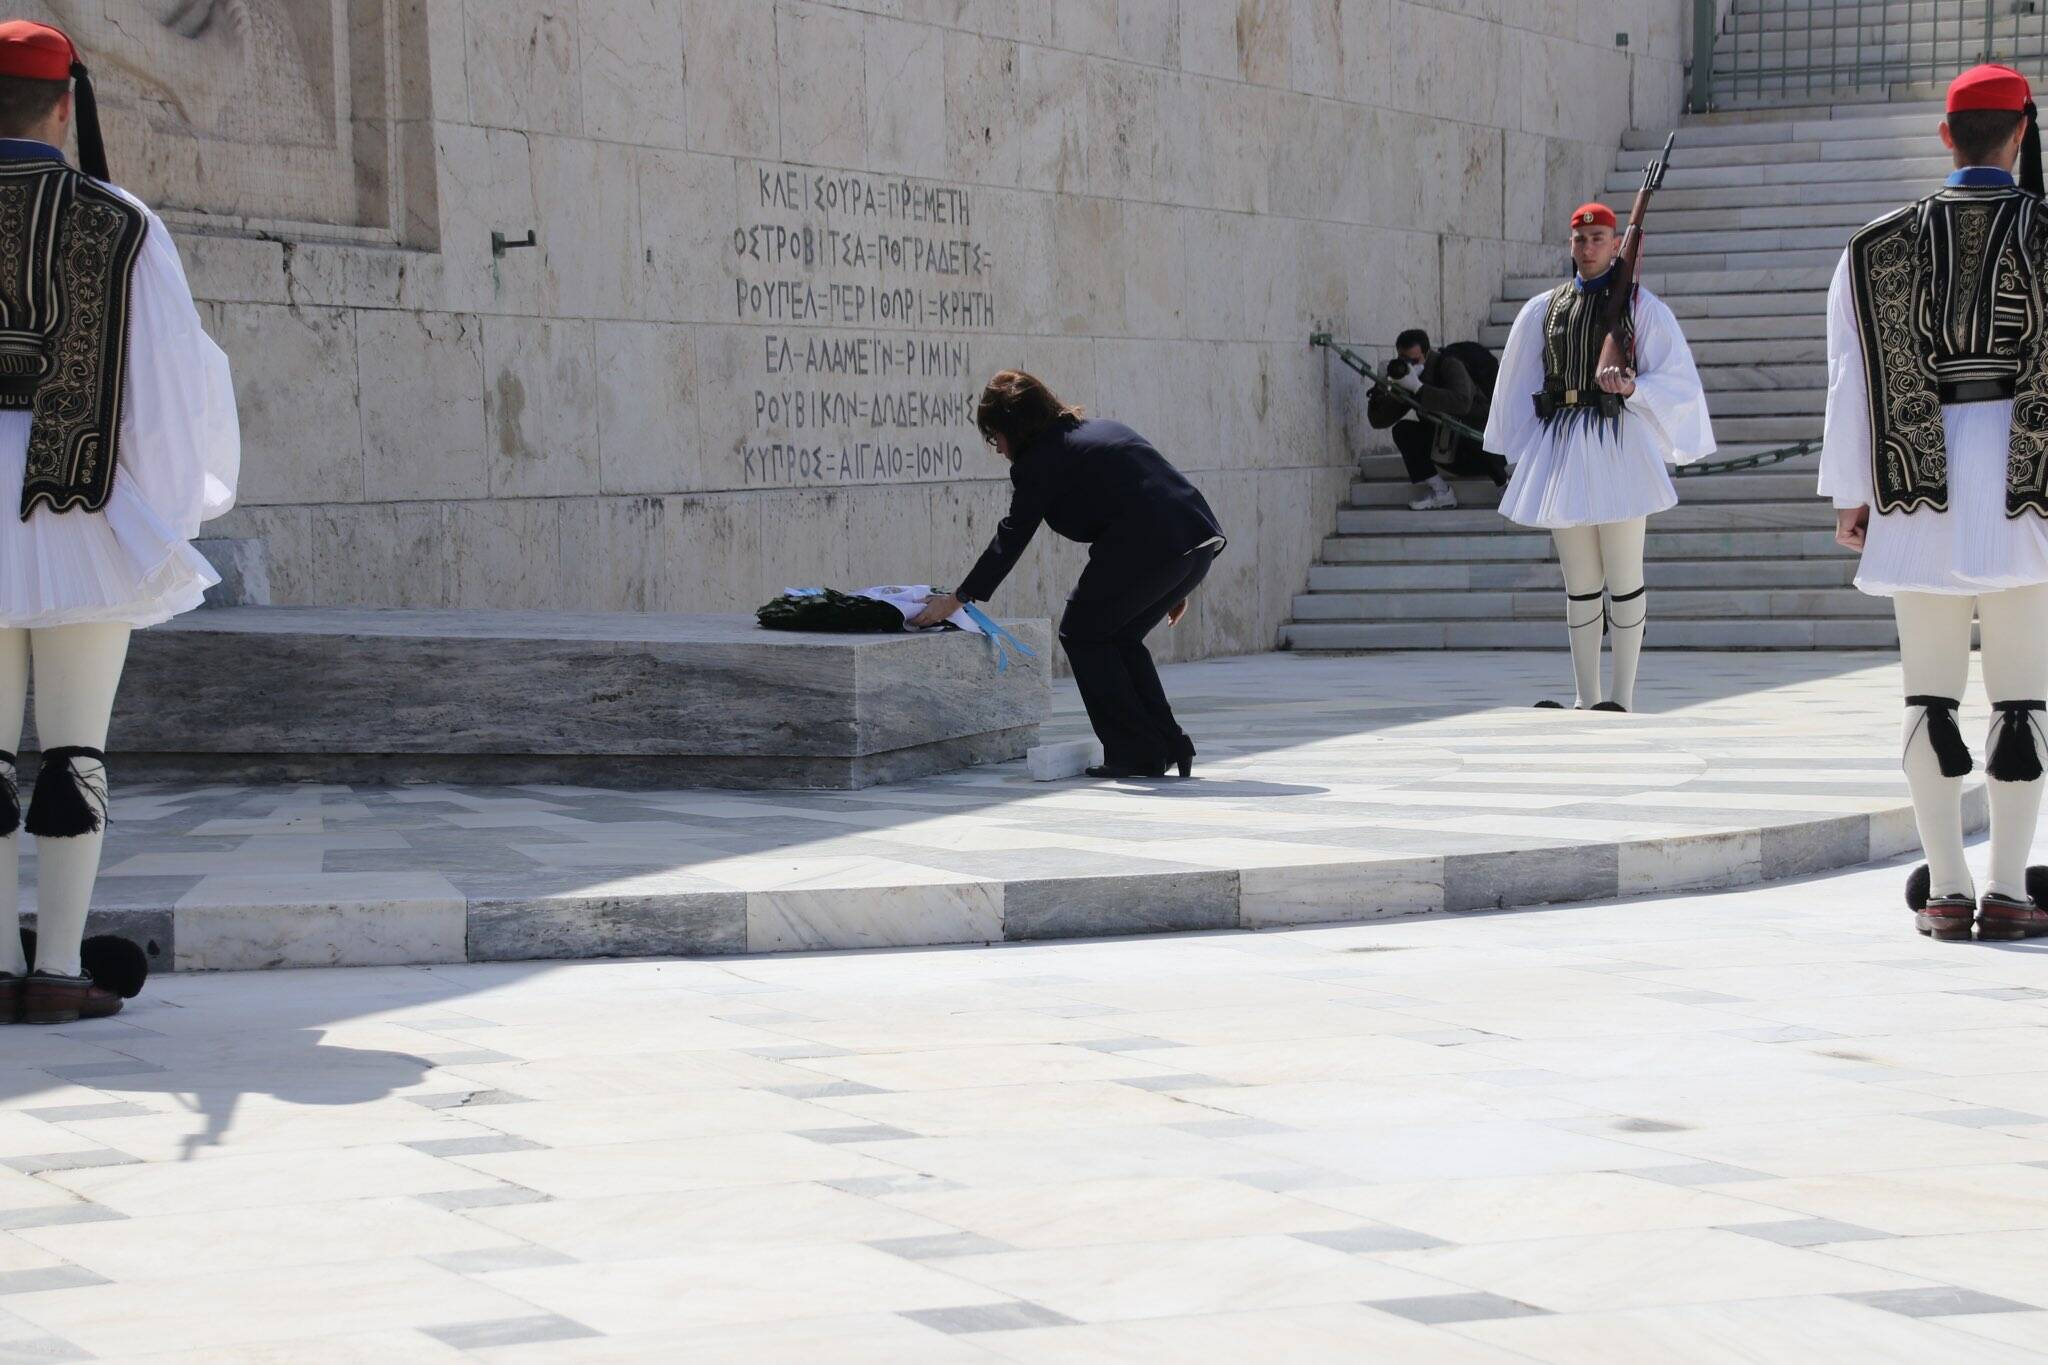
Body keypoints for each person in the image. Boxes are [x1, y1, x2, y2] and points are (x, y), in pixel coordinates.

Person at [0, 19, 240, 1025]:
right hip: (78, 512)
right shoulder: (122, 222)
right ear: (65, 105)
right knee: (73, 752)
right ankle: (56, 968)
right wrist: (167, 510)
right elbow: (171, 392)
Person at [1821, 63, 2048, 943]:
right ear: (2020, 133)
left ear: (1947, 138)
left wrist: (1852, 493)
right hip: (2030, 492)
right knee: (2024, 701)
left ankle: (1947, 889)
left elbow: (1850, 381)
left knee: (1929, 697)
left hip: (1914, 489)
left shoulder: (1874, 244)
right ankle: (2011, 888)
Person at [912, 372, 1225, 780]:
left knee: (1082, 632)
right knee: (1118, 636)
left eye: (996, 436)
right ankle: (1166, 743)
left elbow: (1013, 535)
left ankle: (1136, 752)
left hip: (1157, 547)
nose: (999, 448)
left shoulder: (1041, 460)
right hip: (1196, 539)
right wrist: (1173, 579)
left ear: (1013, 428)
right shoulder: (1098, 430)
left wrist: (957, 600)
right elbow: (1153, 493)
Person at [1484, 201, 1715, 712]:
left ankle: (1622, 697)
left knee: (1624, 574)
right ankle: (1585, 696)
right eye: (1580, 240)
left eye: (1598, 240)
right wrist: (1520, 450)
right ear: (1571, 245)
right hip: (1564, 443)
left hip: (1616, 444)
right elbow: (1520, 380)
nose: (1588, 248)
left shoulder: (1642, 308)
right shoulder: (1545, 308)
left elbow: (1675, 379)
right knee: (1581, 582)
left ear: (1616, 245)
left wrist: (1634, 386)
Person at [1366, 328, 1506, 509]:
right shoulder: (1410, 377)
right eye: (1404, 359)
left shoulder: (1449, 365)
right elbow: (1379, 421)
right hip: (1447, 452)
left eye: (1414, 360)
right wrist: (1382, 390)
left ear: (1427, 353)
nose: (1408, 364)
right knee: (1403, 430)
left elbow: (1463, 403)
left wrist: (1419, 389)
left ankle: (1504, 484)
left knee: (1461, 422)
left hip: (1482, 450)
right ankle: (1441, 492)